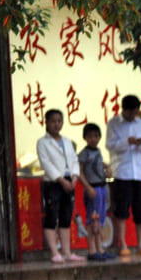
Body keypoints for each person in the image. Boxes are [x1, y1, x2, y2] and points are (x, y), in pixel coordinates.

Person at [106, 94, 141, 258]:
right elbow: (110, 145)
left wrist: (140, 144)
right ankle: (123, 244)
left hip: (140, 172)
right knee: (121, 210)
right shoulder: (114, 124)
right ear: (123, 110)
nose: (133, 115)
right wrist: (127, 142)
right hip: (122, 172)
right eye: (130, 112)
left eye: (135, 112)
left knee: (140, 210)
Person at [36, 109, 86, 264]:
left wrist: (74, 177)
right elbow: (46, 163)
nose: (56, 124)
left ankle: (67, 252)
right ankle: (54, 252)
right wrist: (61, 180)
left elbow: (74, 161)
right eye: (53, 121)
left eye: (59, 121)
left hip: (69, 180)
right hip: (54, 182)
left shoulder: (67, 141)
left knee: (66, 216)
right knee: (52, 216)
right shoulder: (42, 142)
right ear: (46, 122)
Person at [76, 122, 113, 261]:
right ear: (85, 137)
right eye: (90, 136)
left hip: (102, 187)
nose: (94, 139)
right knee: (92, 221)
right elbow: (80, 173)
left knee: (100, 220)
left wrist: (107, 167)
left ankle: (100, 249)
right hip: (93, 188)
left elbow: (99, 162)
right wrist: (88, 187)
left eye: (96, 136)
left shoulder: (97, 151)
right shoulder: (83, 153)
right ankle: (92, 250)